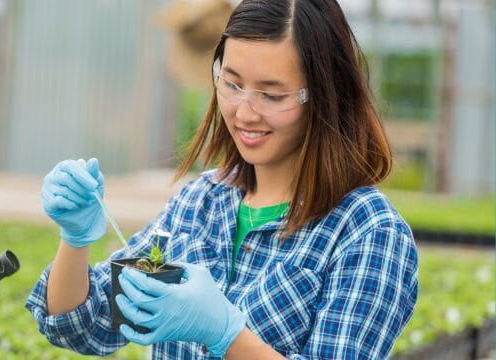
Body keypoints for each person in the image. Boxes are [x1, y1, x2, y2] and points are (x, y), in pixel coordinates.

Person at [26, 0, 418, 359]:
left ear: (325, 94)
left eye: (271, 94)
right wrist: (75, 240)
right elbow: (84, 325)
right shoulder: (202, 202)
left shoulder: (366, 231)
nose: (244, 113)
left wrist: (226, 334)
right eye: (232, 84)